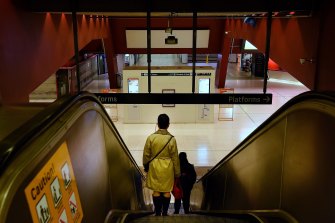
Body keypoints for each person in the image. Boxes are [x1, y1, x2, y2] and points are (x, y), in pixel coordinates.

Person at [143, 114, 180, 216]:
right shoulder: (172, 139)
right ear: (168, 125)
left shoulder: (151, 138)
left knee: (156, 190)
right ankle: (165, 212)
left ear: (158, 124)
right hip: (168, 168)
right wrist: (177, 173)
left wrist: (146, 165)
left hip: (155, 166)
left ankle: (157, 212)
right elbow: (175, 158)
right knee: (167, 191)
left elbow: (146, 155)